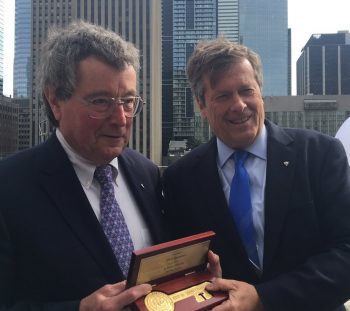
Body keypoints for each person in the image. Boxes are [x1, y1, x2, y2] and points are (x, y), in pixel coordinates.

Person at [162, 37, 350, 311]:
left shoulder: (320, 155)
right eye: (223, 96)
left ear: (260, 92)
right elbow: (180, 270)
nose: (239, 105)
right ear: (202, 106)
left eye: (246, 90)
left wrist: (264, 298)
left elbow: (346, 252)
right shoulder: (181, 178)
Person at [0, 21, 168, 310]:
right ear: (55, 101)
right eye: (101, 101)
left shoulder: (147, 173)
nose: (120, 119)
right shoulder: (9, 187)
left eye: (128, 101)